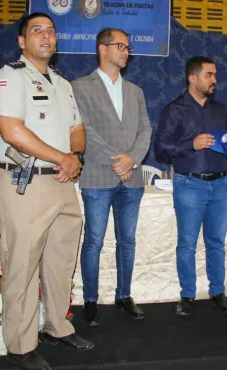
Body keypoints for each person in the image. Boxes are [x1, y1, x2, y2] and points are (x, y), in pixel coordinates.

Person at [0, 12, 92, 370]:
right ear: (22, 40)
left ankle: (58, 327)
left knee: (61, 262)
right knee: (23, 265)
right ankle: (20, 345)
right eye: (37, 31)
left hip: (63, 181)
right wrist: (63, 157)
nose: (46, 36)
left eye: (51, 31)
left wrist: (74, 156)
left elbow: (77, 129)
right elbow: (12, 131)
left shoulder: (63, 83)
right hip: (25, 183)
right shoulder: (8, 78)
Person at [71, 28, 152, 326]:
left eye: (128, 47)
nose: (126, 51)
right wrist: (117, 160)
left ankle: (123, 296)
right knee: (93, 241)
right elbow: (83, 130)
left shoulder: (136, 91)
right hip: (96, 175)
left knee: (127, 241)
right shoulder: (79, 87)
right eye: (121, 46)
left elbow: (146, 129)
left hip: (131, 178)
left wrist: (133, 158)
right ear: (102, 49)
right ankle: (90, 300)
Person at [154, 56, 227, 316]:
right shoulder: (173, 110)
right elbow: (159, 149)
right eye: (208, 75)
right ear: (192, 78)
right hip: (189, 184)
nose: (214, 80)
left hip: (221, 185)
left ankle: (217, 291)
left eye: (215, 75)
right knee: (187, 243)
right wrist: (189, 145)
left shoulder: (220, 109)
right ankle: (187, 295)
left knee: (216, 243)